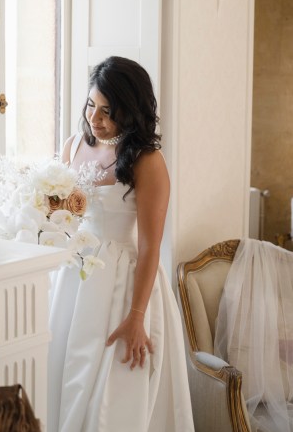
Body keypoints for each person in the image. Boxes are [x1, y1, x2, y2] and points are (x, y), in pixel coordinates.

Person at [47, 56, 194, 432]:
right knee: (66, 371)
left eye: (107, 111)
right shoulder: (73, 145)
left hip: (124, 283)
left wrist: (136, 317)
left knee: (112, 393)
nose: (95, 119)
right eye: (91, 106)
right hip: (76, 279)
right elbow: (60, 214)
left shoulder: (148, 161)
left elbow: (149, 248)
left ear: (130, 111)